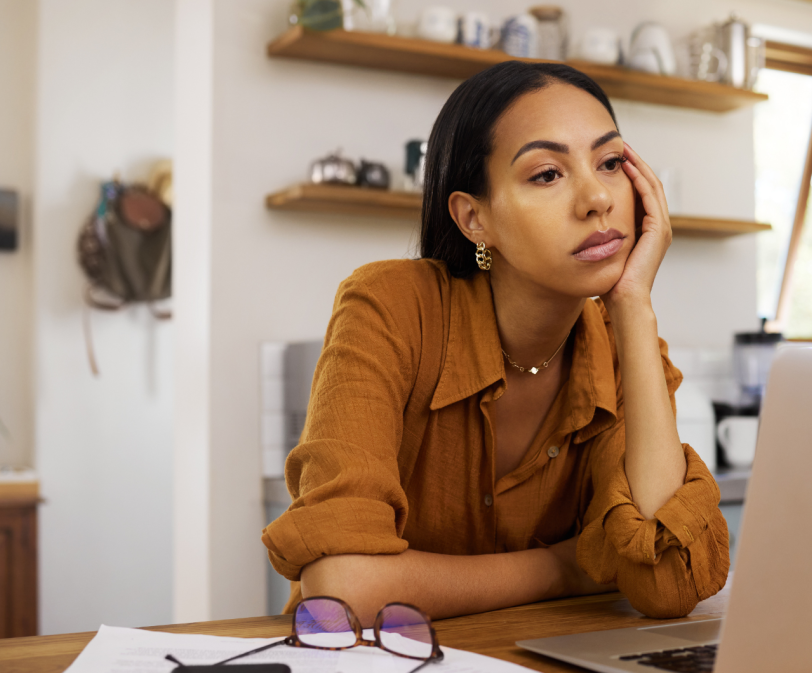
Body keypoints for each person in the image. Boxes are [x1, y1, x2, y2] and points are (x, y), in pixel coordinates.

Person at [262, 61, 729, 623]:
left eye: (610, 163)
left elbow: (667, 585)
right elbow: (342, 588)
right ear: (473, 218)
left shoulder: (623, 342)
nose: (597, 199)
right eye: (547, 174)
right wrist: (573, 566)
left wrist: (632, 303)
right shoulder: (391, 305)